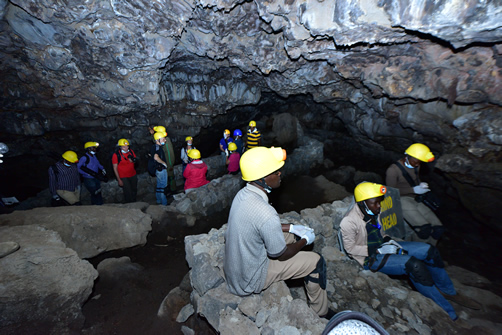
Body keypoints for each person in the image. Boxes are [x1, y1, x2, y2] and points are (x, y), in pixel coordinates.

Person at [339, 182, 480, 321]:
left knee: (430, 251)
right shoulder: (349, 221)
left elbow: (381, 231)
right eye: (374, 203)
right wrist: (378, 250)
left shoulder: (375, 211)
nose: (378, 206)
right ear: (362, 203)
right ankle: (445, 309)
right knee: (414, 266)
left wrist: (388, 240)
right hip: (370, 258)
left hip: (384, 246)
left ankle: (448, 291)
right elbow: (350, 249)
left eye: (379, 202)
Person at [224, 147, 333, 318]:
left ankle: (297, 255)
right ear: (263, 178)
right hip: (249, 279)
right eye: (276, 171)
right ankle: (320, 313)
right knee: (317, 261)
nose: (280, 174)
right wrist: (304, 240)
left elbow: (258, 224)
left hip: (237, 269)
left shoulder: (243, 195)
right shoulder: (266, 212)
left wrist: (290, 228)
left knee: (292, 237)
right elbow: (280, 254)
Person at [385, 143, 444, 245]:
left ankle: (429, 253)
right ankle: (417, 253)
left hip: (415, 199)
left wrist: (421, 185)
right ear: (407, 156)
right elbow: (391, 191)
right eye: (415, 161)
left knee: (438, 229)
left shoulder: (416, 165)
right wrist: (413, 190)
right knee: (424, 230)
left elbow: (414, 180)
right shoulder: (393, 170)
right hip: (401, 200)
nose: (417, 164)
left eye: (419, 162)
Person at [149, 125, 176, 194]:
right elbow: (156, 140)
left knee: (169, 177)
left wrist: (169, 165)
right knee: (166, 179)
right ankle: (166, 192)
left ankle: (172, 191)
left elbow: (170, 155)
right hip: (164, 162)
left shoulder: (166, 142)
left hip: (167, 163)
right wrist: (152, 134)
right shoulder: (162, 140)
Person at [112, 138, 138, 203]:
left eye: (127, 146)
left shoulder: (131, 151)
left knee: (134, 189)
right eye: (124, 147)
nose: (126, 148)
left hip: (133, 174)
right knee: (127, 191)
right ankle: (129, 204)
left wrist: (133, 161)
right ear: (120, 147)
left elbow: (135, 161)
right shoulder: (116, 155)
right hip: (123, 176)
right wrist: (119, 179)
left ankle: (134, 202)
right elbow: (115, 167)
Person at [151, 132, 170, 205]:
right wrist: (164, 163)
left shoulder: (154, 147)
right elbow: (156, 157)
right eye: (163, 139)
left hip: (158, 170)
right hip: (161, 169)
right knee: (163, 187)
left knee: (159, 185)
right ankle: (164, 203)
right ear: (158, 140)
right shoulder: (158, 148)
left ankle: (158, 201)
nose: (165, 140)